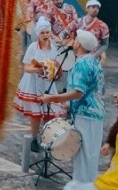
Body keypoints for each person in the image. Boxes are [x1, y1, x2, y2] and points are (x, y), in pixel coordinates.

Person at [42, 30, 104, 182]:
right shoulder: (94, 61)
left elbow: (78, 92)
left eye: (75, 40)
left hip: (85, 115)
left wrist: (53, 98)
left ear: (79, 44)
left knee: (83, 157)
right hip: (94, 114)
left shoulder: (82, 63)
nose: (73, 42)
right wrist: (69, 106)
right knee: (90, 156)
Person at [14, 17, 64, 152]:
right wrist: (38, 69)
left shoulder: (54, 49)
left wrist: (55, 73)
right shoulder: (32, 48)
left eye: (47, 32)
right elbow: (26, 67)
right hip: (33, 83)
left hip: (47, 83)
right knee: (35, 114)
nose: (45, 35)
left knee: (50, 113)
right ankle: (34, 139)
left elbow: (57, 66)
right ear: (38, 34)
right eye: (42, 33)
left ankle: (46, 138)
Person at [58, 0, 109, 65]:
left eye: (97, 8)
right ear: (87, 8)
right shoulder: (78, 22)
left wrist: (94, 55)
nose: (96, 9)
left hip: (91, 59)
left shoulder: (102, 26)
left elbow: (105, 44)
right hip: (76, 57)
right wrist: (60, 41)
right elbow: (64, 32)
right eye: (93, 7)